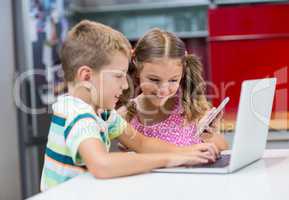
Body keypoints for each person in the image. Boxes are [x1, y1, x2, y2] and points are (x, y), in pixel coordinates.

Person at [40, 20, 219, 191]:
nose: (126, 86)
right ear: (86, 77)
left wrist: (187, 152)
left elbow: (141, 143)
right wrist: (169, 159)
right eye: (118, 76)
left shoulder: (102, 113)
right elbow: (102, 165)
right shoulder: (77, 113)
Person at [118, 28, 228, 150]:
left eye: (173, 80)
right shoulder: (125, 115)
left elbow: (224, 148)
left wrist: (209, 136)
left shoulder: (192, 108)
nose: (163, 90)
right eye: (154, 80)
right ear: (137, 68)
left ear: (182, 72)